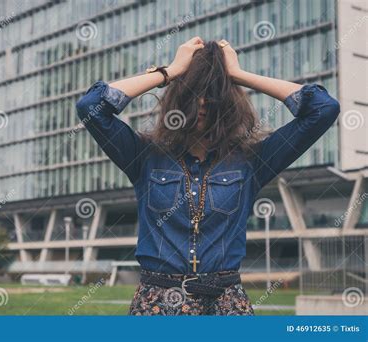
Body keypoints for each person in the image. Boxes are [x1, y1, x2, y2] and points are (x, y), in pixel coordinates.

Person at [75, 37, 340, 315]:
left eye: (213, 93)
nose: (202, 102)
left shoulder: (251, 161)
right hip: (157, 305)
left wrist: (237, 75)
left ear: (227, 102)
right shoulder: (144, 157)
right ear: (179, 99)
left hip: (226, 304)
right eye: (193, 93)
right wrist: (169, 72)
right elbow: (91, 106)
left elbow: (323, 109)